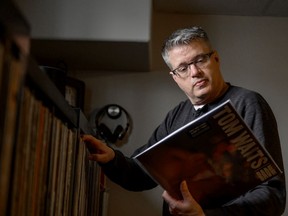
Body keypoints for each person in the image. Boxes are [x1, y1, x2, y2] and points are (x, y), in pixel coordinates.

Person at [82, 26, 286, 216]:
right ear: (175, 77)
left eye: (200, 60)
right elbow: (143, 173)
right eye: (183, 68)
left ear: (215, 59)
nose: (195, 72)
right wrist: (111, 159)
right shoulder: (176, 115)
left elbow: (272, 194)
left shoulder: (248, 103)